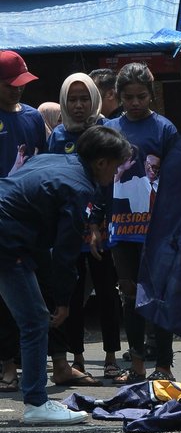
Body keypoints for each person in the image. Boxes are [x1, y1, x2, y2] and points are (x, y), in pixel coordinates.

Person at [0, 125, 131, 424]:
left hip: (8, 232)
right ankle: (35, 403)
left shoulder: (54, 160)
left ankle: (36, 401)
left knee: (29, 317)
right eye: (116, 166)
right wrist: (62, 300)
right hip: (6, 238)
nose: (116, 174)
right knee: (34, 320)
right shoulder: (79, 188)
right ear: (101, 163)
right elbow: (64, 252)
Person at [105, 62, 178, 384]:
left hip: (157, 227)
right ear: (119, 96)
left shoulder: (165, 129)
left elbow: (177, 179)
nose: (135, 103)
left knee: (158, 294)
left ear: (152, 95)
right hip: (120, 227)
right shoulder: (108, 129)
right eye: (129, 97)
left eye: (142, 96)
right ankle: (136, 365)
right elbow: (99, 178)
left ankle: (164, 365)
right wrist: (94, 221)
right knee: (129, 294)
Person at [48, 72, 122, 382]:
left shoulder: (107, 130)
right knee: (72, 294)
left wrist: (98, 220)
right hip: (69, 227)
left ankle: (110, 357)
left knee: (108, 292)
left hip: (103, 226)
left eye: (84, 98)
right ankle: (76, 357)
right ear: (65, 101)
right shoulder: (58, 137)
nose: (79, 105)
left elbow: (109, 184)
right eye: (73, 99)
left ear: (94, 98)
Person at [0, 50, 46, 393]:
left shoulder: (32, 118)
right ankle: (9, 366)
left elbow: (43, 166)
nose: (17, 90)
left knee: (31, 306)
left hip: (29, 225)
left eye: (21, 84)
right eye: (10, 85)